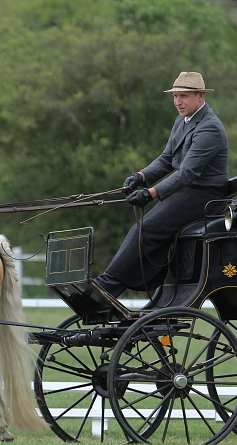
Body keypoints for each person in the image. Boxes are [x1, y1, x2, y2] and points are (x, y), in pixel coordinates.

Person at [92, 71, 229, 298]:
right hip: (187, 191)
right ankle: (123, 285)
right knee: (144, 228)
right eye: (175, 96)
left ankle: (107, 287)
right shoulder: (182, 121)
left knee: (145, 229)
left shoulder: (209, 127)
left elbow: (186, 173)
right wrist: (141, 176)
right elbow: (167, 160)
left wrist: (150, 193)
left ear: (200, 96)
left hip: (204, 196)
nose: (177, 102)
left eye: (183, 96)